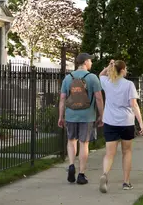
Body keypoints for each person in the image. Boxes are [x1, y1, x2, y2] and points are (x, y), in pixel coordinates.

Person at [98, 60, 143, 194]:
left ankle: (105, 174)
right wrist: (141, 124)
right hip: (126, 122)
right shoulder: (129, 84)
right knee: (127, 152)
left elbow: (100, 74)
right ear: (123, 70)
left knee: (109, 153)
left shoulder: (107, 82)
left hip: (110, 121)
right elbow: (134, 105)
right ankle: (126, 182)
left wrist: (109, 65)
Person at [58, 53, 104, 185]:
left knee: (71, 141)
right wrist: (102, 115)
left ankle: (71, 165)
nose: (92, 63)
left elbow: (62, 98)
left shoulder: (68, 78)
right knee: (84, 143)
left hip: (71, 115)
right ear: (85, 62)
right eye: (90, 61)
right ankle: (81, 174)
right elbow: (99, 98)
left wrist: (61, 116)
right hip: (87, 116)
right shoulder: (92, 78)